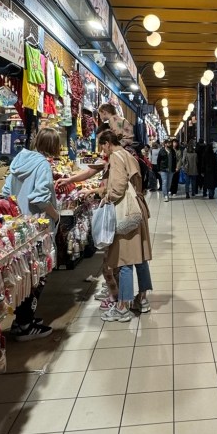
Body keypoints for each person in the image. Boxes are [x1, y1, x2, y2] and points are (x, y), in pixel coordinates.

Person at [2, 127, 61, 340]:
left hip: (19, 228)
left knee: (25, 274)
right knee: (38, 275)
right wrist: (56, 216)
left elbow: (6, 193)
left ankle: (22, 320)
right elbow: (40, 198)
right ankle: (25, 324)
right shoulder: (42, 164)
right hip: (38, 228)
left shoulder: (19, 161)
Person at [96, 130, 153, 320]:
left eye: (102, 147)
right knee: (140, 258)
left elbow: (119, 187)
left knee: (125, 260)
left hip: (126, 212)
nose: (103, 151)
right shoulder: (129, 155)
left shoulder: (116, 157)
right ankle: (142, 299)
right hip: (138, 209)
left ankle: (122, 307)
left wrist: (107, 197)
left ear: (107, 143)